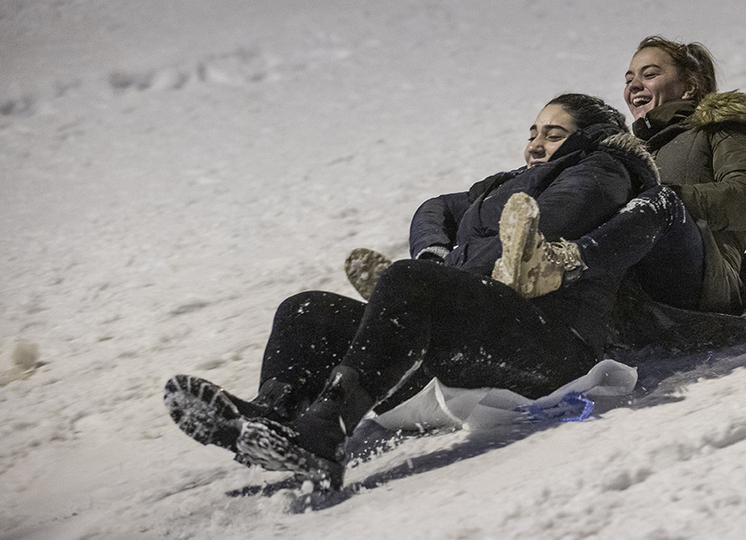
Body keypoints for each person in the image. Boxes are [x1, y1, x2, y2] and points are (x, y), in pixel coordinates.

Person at [165, 93, 683, 491]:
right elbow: (436, 208)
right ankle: (273, 419)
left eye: (553, 132)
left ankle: (323, 432)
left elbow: (529, 240)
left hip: (554, 349)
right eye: (532, 131)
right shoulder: (507, 181)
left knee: (409, 284)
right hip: (482, 337)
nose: (535, 142)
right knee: (306, 310)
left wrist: (448, 266)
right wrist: (436, 252)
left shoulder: (603, 171)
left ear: (587, 137)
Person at [618, 35, 746, 314]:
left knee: (657, 202)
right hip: (639, 277)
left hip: (708, 281)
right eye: (629, 78)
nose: (634, 85)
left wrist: (669, 202)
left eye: (650, 74)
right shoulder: (632, 154)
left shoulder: (721, 128)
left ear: (690, 87)